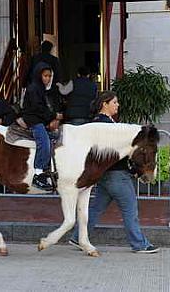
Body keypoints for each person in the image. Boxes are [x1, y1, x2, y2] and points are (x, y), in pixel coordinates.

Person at [69, 91, 159, 253]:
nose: (118, 105)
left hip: (104, 175)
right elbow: (115, 153)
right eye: (115, 102)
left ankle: (77, 237)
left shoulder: (98, 123)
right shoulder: (107, 125)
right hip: (117, 175)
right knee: (130, 210)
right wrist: (133, 168)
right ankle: (139, 244)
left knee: (96, 209)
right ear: (105, 104)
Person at [18, 62, 63, 192]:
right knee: (44, 143)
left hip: (39, 119)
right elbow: (38, 108)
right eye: (45, 76)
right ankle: (38, 175)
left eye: (49, 76)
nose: (47, 78)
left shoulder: (39, 88)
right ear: (39, 75)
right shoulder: (34, 88)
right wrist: (53, 115)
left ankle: (49, 170)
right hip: (34, 121)